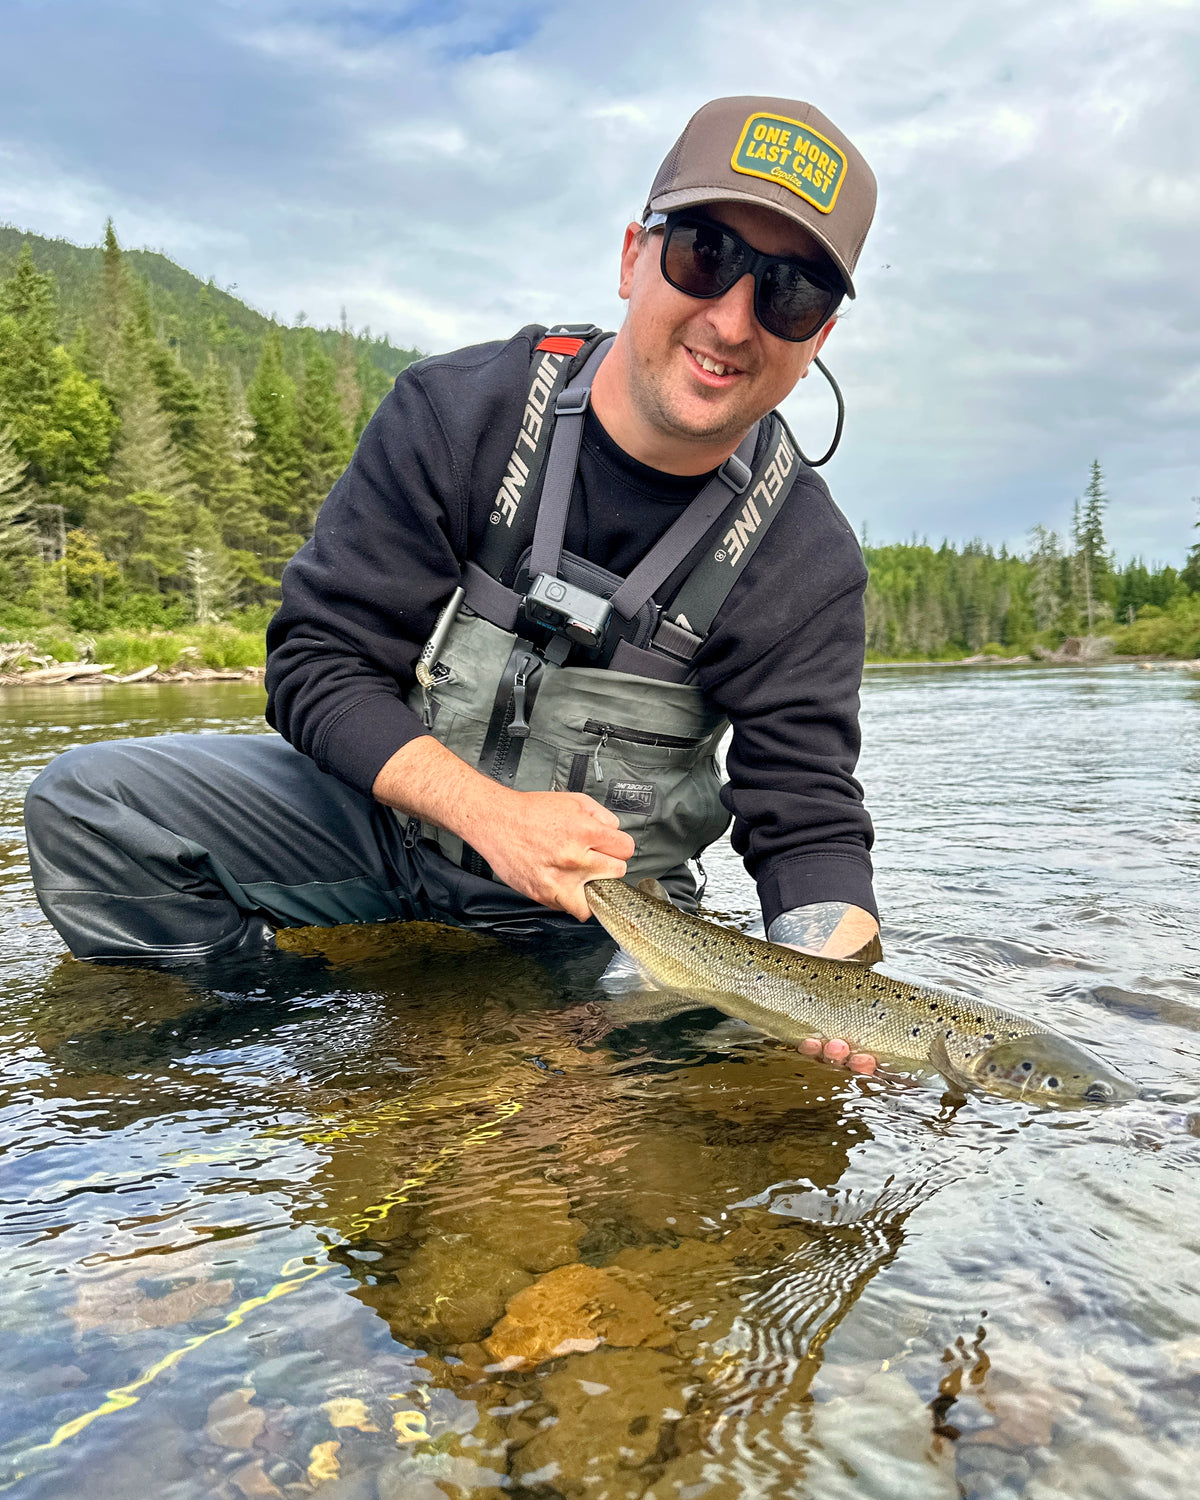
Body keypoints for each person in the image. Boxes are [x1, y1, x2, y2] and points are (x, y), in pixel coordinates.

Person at [24, 96, 880, 1069]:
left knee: (654, 1098)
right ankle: (278, 1034)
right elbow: (317, 664)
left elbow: (805, 816)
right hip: (386, 832)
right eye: (705, 255)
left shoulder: (804, 558)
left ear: (819, 338)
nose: (731, 320)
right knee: (88, 808)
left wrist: (836, 987)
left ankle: (496, 1058)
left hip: (610, 913)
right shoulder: (461, 415)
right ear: (633, 257)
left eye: (789, 294)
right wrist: (486, 814)